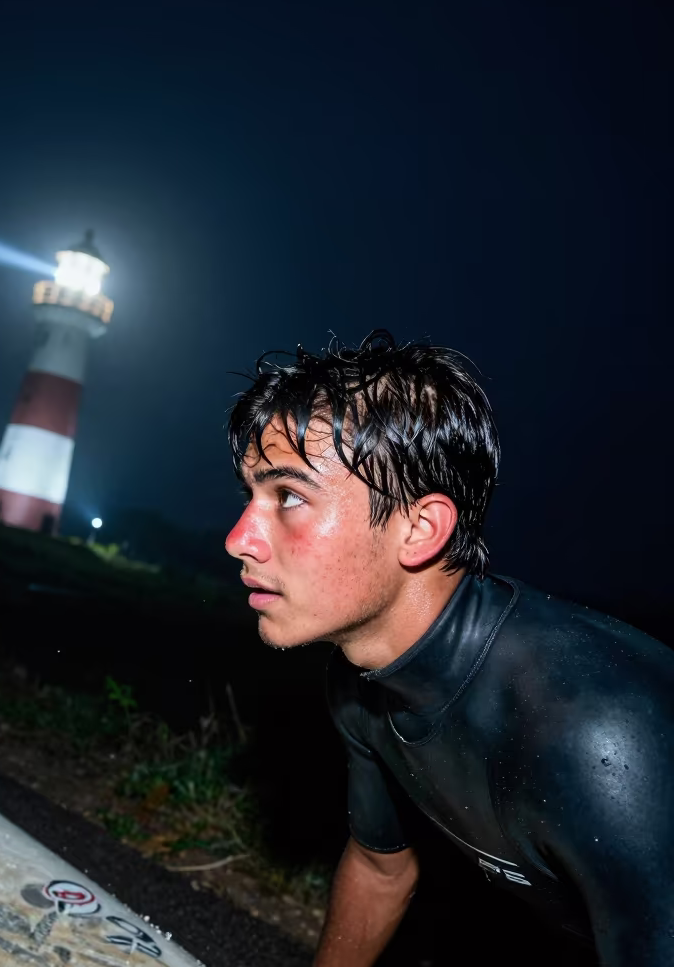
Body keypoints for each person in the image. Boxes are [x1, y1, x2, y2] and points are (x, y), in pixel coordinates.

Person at [224, 330, 674, 967]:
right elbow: (382, 872)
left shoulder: (595, 730)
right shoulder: (360, 679)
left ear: (420, 529)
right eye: (250, 497)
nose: (238, 539)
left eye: (289, 496)